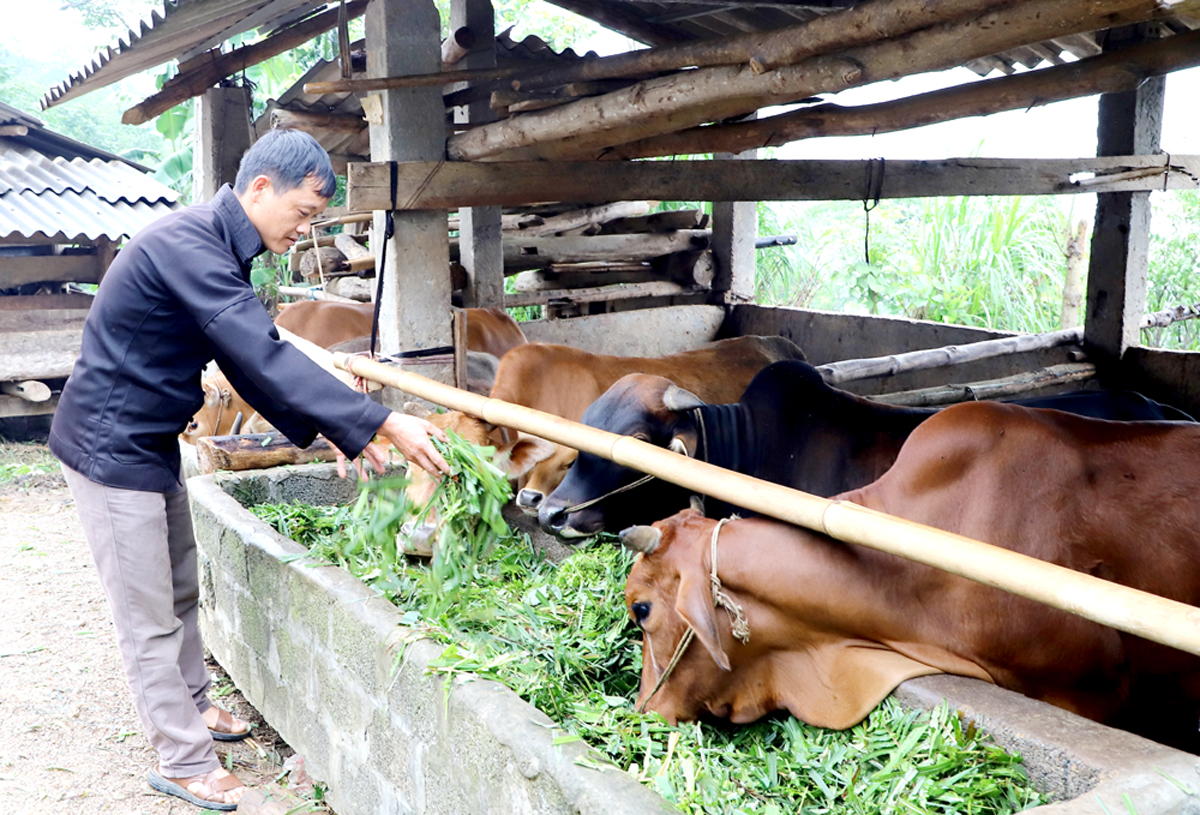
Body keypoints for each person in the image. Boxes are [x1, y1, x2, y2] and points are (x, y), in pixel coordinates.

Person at [49, 128, 450, 811]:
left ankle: (196, 705)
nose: (306, 229)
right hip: (109, 448)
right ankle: (182, 758)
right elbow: (263, 353)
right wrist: (381, 420)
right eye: (303, 212)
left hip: (146, 443)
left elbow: (244, 362)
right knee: (146, 613)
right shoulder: (189, 245)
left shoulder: (215, 251)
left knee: (178, 587)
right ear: (259, 188)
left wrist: (336, 429)